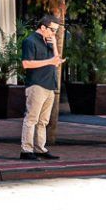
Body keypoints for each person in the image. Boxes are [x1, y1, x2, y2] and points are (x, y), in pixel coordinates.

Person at [20, 14, 63, 159]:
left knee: (43, 121)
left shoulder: (49, 41)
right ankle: (26, 150)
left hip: (50, 85)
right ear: (43, 27)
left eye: (56, 30)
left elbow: (55, 62)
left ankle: (40, 149)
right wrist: (50, 61)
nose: (54, 33)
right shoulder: (30, 41)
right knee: (31, 118)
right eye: (53, 30)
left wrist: (55, 46)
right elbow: (26, 64)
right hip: (36, 85)